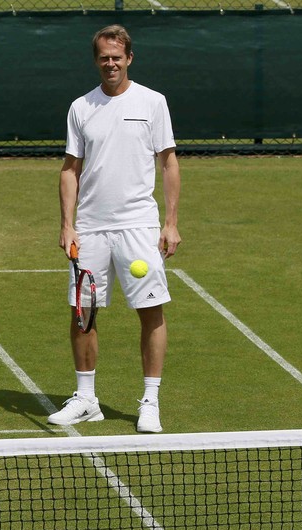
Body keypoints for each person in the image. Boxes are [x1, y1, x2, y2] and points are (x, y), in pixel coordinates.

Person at [47, 24, 181, 434]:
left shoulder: (153, 102)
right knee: (82, 312)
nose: (110, 64)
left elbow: (169, 163)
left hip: (139, 225)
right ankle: (86, 399)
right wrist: (68, 225)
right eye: (104, 57)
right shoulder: (80, 107)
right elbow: (70, 171)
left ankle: (150, 402)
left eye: (117, 57)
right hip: (90, 228)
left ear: (129, 59)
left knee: (150, 311)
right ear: (97, 60)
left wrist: (171, 223)